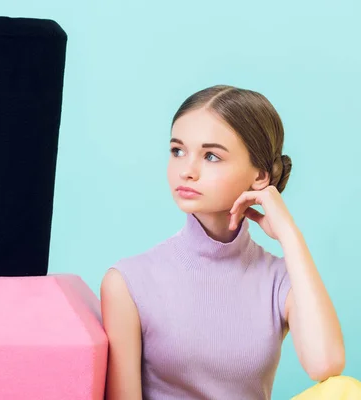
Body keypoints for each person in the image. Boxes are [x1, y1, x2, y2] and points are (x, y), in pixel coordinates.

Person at [100, 84, 349, 399]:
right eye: (178, 150)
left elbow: (326, 364)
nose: (187, 171)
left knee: (345, 391)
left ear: (259, 176)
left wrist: (289, 234)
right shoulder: (128, 282)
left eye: (211, 156)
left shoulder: (279, 279)